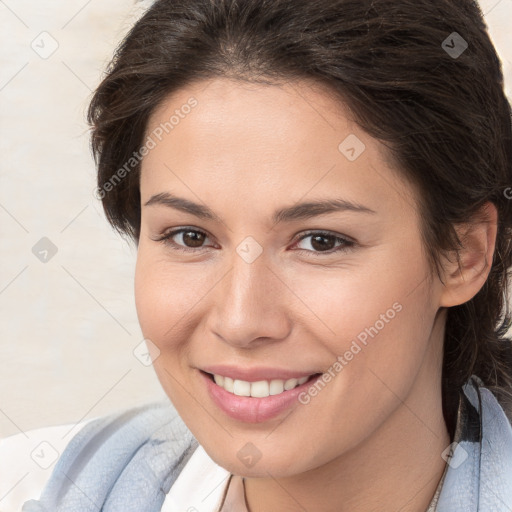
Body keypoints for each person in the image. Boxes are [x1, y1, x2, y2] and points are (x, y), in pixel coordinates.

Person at [5, 0, 512, 510]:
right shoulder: (31, 488)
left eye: (320, 241)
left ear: (462, 254)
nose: (241, 321)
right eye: (190, 237)